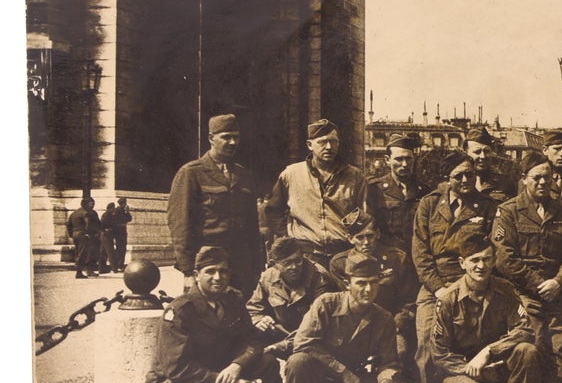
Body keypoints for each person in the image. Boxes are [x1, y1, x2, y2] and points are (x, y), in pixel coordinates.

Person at [144, 246, 278, 383]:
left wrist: (237, 366)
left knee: (268, 365)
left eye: (224, 271)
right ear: (197, 275)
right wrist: (222, 381)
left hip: (218, 373)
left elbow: (252, 340)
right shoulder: (180, 309)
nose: (218, 277)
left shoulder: (232, 301)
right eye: (210, 271)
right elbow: (176, 368)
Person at [284, 254, 420, 383]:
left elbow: (389, 363)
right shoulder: (326, 304)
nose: (368, 289)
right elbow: (303, 343)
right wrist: (344, 373)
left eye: (374, 283)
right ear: (347, 284)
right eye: (361, 283)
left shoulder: (383, 318)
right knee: (297, 362)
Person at [428, 230, 547, 383]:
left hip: (496, 368)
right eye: (474, 260)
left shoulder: (505, 290)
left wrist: (489, 352)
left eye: (486, 259)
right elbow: (439, 353)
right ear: (462, 263)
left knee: (527, 351)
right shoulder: (448, 300)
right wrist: (471, 368)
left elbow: (525, 329)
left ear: (493, 261)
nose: (481, 266)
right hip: (462, 373)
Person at [493, 155, 562, 383]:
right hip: (523, 293)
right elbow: (505, 259)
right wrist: (538, 283)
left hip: (556, 293)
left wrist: (558, 281)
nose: (544, 182)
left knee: (558, 353)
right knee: (534, 347)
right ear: (524, 180)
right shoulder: (508, 212)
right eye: (537, 178)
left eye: (548, 177)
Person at [410, 157, 496, 383]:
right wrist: (438, 289)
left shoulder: (487, 206)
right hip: (434, 284)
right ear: (447, 178)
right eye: (459, 176)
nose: (466, 180)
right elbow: (420, 253)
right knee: (427, 340)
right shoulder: (429, 204)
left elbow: (491, 251)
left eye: (470, 174)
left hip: (471, 280)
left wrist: (465, 285)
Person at [263, 118, 385, 271]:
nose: (329, 147)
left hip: (343, 254)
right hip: (306, 255)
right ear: (310, 145)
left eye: (334, 142)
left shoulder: (355, 177)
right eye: (322, 142)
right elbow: (273, 210)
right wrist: (288, 237)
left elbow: (366, 216)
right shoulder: (291, 174)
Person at [244, 236, 336, 383]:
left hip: (317, 337)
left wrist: (284, 344)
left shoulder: (318, 276)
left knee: (313, 359)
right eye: (287, 263)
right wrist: (259, 319)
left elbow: (320, 322)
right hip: (283, 334)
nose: (294, 267)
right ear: (275, 265)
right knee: (259, 351)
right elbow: (252, 308)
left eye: (298, 260)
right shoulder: (268, 278)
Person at [167, 113, 265, 295]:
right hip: (208, 263)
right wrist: (188, 270)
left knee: (240, 315)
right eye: (226, 137)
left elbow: (253, 226)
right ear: (211, 138)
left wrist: (257, 266)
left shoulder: (243, 175)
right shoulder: (191, 173)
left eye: (236, 137)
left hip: (241, 264)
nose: (233, 142)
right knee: (205, 317)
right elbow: (180, 224)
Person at [330, 214, 420, 383]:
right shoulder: (339, 264)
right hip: (355, 329)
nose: (366, 242)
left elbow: (409, 300)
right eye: (360, 237)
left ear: (378, 234)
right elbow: (341, 303)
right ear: (350, 238)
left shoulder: (396, 258)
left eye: (370, 236)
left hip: (391, 325)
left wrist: (397, 325)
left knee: (399, 350)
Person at [379, 133, 425, 255]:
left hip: (417, 258)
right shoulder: (375, 191)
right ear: (387, 160)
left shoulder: (424, 191)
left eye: (408, 159)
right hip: (388, 258)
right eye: (399, 159)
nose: (404, 164)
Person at [465, 125, 517, 207]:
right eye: (477, 152)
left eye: (486, 151)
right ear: (466, 153)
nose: (483, 156)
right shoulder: (459, 183)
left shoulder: (505, 184)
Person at [67, 196, 102, 279]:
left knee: (79, 253)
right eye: (90, 204)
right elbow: (88, 224)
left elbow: (68, 224)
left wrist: (71, 235)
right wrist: (89, 233)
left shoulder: (74, 213)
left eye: (93, 204)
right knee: (85, 253)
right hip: (84, 235)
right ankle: (79, 273)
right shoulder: (86, 213)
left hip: (76, 235)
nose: (92, 206)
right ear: (85, 204)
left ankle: (86, 271)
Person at [102, 195, 133, 272]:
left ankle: (120, 264)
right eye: (123, 203)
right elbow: (114, 221)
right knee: (120, 248)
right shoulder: (116, 211)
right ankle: (118, 264)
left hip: (122, 231)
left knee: (123, 248)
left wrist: (127, 212)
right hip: (118, 231)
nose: (125, 204)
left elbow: (129, 219)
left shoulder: (124, 211)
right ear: (121, 203)